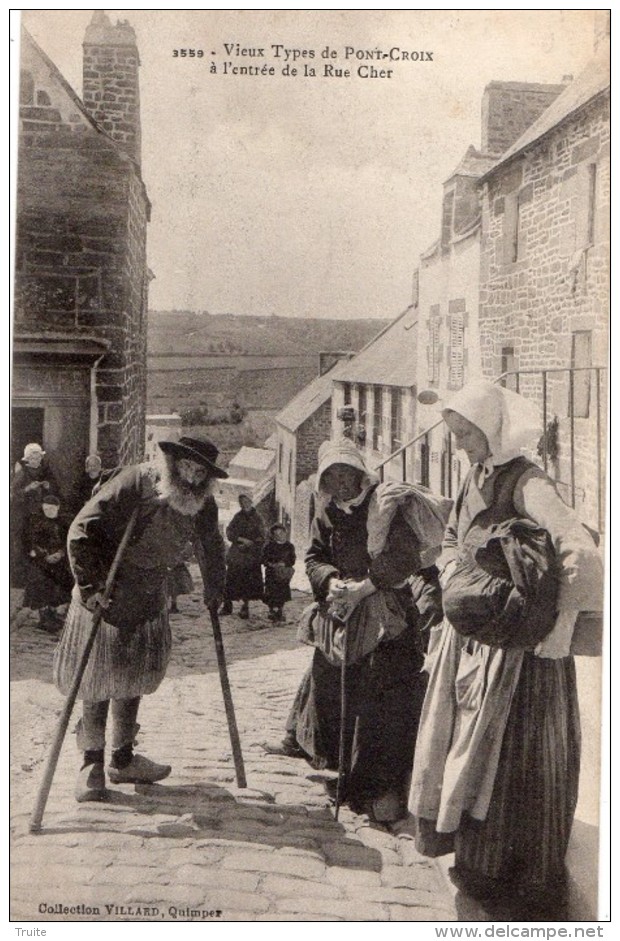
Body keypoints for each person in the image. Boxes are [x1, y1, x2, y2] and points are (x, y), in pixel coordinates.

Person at [408, 380, 604, 920]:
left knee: (516, 759)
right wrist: (456, 576)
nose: (461, 445)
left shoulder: (528, 480)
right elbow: (451, 534)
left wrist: (560, 628)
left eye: (467, 434)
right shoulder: (476, 475)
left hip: (525, 652)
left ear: (492, 429)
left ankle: (517, 881)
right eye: (456, 434)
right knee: (468, 749)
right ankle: (475, 862)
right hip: (474, 639)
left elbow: (580, 551)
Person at [265, 438, 451, 823]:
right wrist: (330, 581)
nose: (340, 482)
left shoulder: (384, 505)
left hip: (387, 609)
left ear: (360, 473)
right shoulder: (327, 511)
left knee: (381, 697)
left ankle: (382, 788)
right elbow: (314, 555)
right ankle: (340, 770)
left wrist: (365, 586)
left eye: (346, 473)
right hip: (344, 608)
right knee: (331, 681)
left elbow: (402, 558)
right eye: (331, 476)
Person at [53, 436, 228, 803]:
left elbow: (211, 546)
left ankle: (123, 758)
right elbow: (81, 530)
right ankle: (91, 763)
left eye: (201, 473)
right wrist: (91, 586)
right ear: (173, 462)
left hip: (148, 596)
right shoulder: (136, 483)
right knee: (97, 678)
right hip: (105, 591)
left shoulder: (202, 502)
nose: (193, 478)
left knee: (134, 675)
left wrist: (215, 588)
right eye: (187, 467)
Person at [11, 443, 60, 588]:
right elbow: (13, 494)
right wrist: (28, 488)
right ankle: (22, 580)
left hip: (42, 513)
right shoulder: (23, 472)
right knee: (25, 543)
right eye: (33, 456)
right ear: (27, 458)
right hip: (25, 514)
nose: (36, 459)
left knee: (42, 541)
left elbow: (55, 488)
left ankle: (42, 578)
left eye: (38, 456)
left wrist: (47, 486)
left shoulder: (45, 470)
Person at [24, 493, 73, 634]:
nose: (49, 512)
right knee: (40, 582)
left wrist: (60, 553)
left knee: (58, 585)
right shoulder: (37, 522)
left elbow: (69, 541)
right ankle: (44, 617)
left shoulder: (64, 523)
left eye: (52, 509)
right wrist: (44, 555)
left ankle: (53, 615)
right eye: (46, 510)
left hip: (59, 561)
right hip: (42, 561)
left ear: (58, 508)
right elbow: (32, 542)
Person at [220, 494, 265, 619]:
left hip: (251, 554)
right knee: (230, 579)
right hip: (237, 553)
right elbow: (229, 532)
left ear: (251, 501)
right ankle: (227, 606)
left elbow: (262, 536)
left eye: (247, 501)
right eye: (242, 502)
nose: (245, 503)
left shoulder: (257, 518)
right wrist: (240, 539)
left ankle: (245, 607)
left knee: (248, 582)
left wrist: (251, 543)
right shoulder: (237, 517)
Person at [262, 523, 296, 622]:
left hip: (283, 573)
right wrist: (271, 564)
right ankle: (271, 610)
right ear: (273, 535)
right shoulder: (269, 546)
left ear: (285, 533)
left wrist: (285, 564)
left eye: (281, 533)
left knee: (282, 591)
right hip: (271, 573)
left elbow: (292, 559)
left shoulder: (289, 546)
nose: (279, 536)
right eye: (276, 534)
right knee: (271, 592)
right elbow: (263, 558)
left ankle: (280, 610)